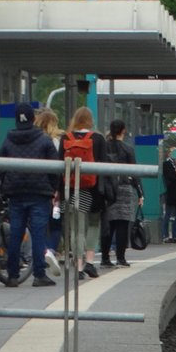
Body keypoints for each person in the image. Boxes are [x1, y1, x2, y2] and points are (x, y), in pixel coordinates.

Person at [0, 102, 59, 287]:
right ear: (33, 119)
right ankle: (39, 274)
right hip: (39, 193)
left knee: (16, 232)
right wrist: (52, 188)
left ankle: (13, 275)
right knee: (39, 232)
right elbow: (55, 168)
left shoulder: (8, 139)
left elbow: (2, 168)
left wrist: (5, 185)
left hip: (16, 192)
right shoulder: (44, 139)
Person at [60, 106, 109, 280]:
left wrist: (59, 193)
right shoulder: (98, 139)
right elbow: (104, 166)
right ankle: (89, 262)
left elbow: (60, 167)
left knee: (76, 229)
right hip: (94, 190)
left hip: (72, 189)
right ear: (91, 120)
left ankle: (78, 267)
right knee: (93, 225)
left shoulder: (66, 138)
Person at [102, 120, 143, 268]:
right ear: (123, 131)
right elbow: (135, 172)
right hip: (124, 188)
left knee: (108, 224)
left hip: (107, 189)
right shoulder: (128, 149)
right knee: (122, 224)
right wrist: (140, 193)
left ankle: (105, 258)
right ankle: (120, 258)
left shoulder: (104, 147)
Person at [34, 108, 64, 277]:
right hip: (52, 186)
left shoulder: (33, 139)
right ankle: (50, 250)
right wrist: (57, 189)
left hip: (34, 186)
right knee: (56, 223)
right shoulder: (57, 141)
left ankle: (44, 251)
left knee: (38, 224)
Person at [161, 146, 176, 242]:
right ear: (169, 153)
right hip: (170, 192)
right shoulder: (167, 164)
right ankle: (165, 235)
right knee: (168, 214)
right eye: (172, 152)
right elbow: (172, 178)